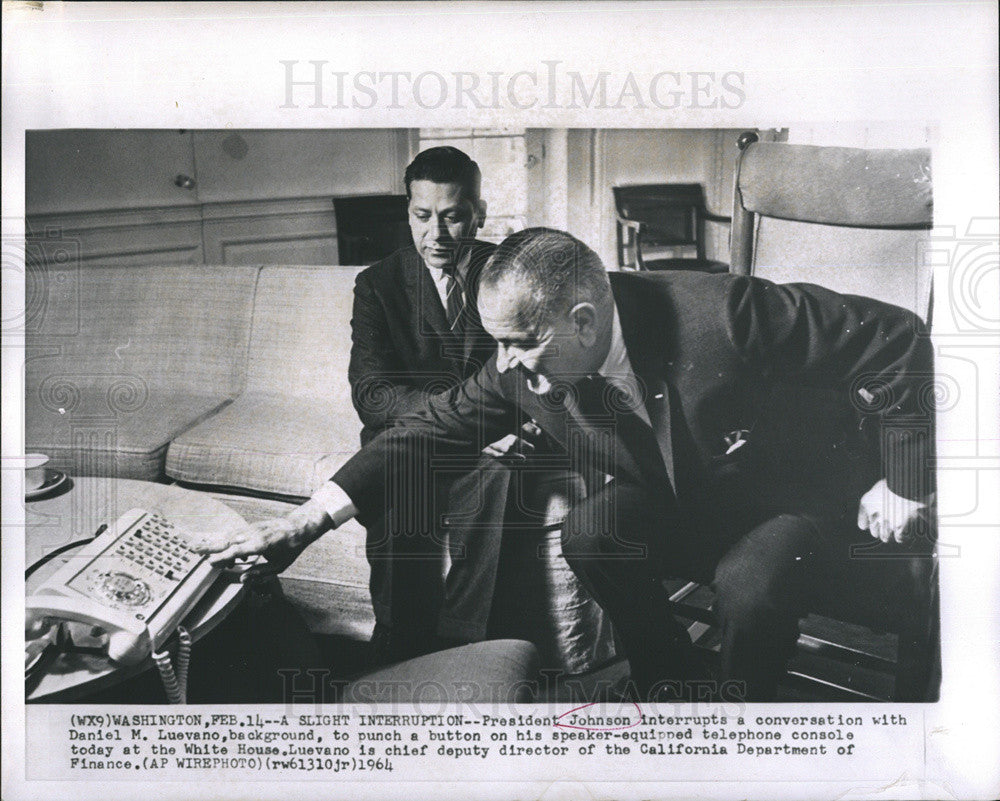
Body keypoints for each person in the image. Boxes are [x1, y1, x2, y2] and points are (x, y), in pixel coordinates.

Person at [198, 228, 935, 701]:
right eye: (497, 345)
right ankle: (672, 689)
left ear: (583, 321)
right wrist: (299, 523)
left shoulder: (727, 315)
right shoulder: (521, 364)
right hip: (685, 493)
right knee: (591, 532)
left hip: (793, 492)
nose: (507, 364)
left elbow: (896, 337)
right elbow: (425, 433)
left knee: (750, 583)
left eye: (520, 341)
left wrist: (900, 476)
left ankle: (733, 738)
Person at [345, 146, 537, 664]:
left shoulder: (511, 273)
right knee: (398, 487)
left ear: (479, 214)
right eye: (422, 216)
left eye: (453, 217)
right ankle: (398, 650)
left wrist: (492, 425)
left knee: (502, 479)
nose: (437, 235)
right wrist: (467, 419)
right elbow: (372, 393)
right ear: (407, 211)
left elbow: (529, 369)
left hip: (491, 444)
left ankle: (467, 650)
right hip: (411, 436)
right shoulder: (377, 285)